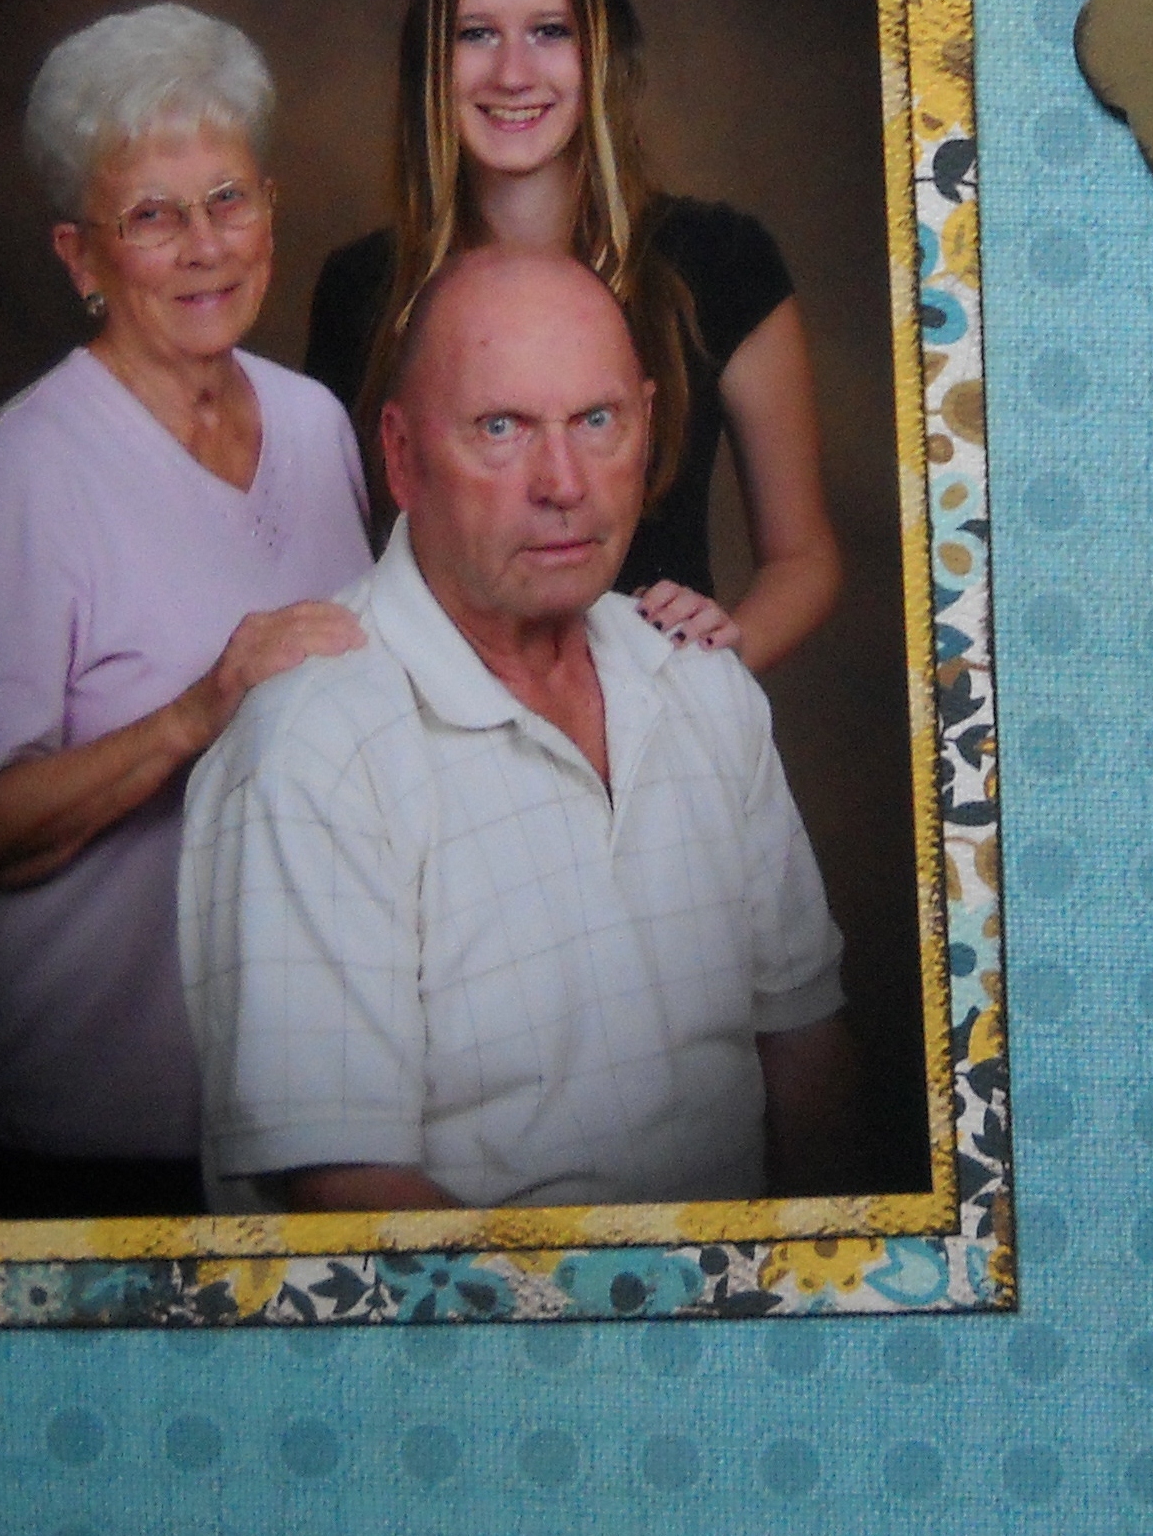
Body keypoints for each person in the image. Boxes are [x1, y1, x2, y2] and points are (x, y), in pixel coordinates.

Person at [181, 247, 855, 1212]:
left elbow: (805, 1049)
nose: (563, 482)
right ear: (401, 456)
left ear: (648, 426)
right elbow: (348, 1192)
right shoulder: (313, 749)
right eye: (501, 428)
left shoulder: (702, 683)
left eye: (597, 421)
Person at [0, 3, 371, 1217]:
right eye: (152, 216)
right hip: (60, 1121)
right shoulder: (27, 472)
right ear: (81, 257)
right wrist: (196, 711)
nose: (204, 245)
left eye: (227, 199)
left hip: (275, 1105)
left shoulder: (316, 425)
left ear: (270, 207)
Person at [304, 0, 839, 673]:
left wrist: (706, 677)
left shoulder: (722, 262)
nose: (513, 73)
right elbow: (340, 579)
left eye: (549, 30)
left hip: (661, 728)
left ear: (601, 48)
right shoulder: (360, 290)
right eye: (474, 33)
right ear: (427, 59)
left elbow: (803, 559)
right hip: (430, 732)